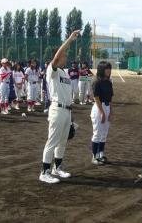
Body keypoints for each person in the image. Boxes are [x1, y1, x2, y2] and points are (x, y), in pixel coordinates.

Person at [39, 30, 80, 184]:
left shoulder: (65, 73)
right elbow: (57, 56)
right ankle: (44, 172)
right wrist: (70, 39)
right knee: (53, 140)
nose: (66, 57)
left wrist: (71, 114)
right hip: (57, 109)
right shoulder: (52, 70)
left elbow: (67, 95)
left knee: (63, 141)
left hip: (67, 110)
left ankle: (57, 167)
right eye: (64, 55)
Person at [90, 61, 113, 165]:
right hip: (99, 108)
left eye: (109, 68)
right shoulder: (96, 82)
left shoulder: (109, 82)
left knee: (104, 133)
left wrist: (110, 111)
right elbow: (96, 98)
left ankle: (101, 154)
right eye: (106, 68)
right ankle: (94, 156)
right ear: (101, 70)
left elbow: (110, 98)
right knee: (97, 133)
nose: (109, 70)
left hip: (107, 107)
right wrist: (102, 112)